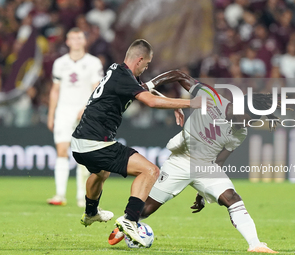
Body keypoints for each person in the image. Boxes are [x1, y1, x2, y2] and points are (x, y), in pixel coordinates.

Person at [108, 71, 279, 253]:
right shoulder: (212, 98)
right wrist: (150, 85)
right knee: (146, 209)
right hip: (180, 161)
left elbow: (219, 161)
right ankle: (125, 224)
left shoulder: (240, 134)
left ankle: (255, 244)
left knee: (233, 199)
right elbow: (179, 74)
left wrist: (204, 193)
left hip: (206, 166)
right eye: (249, 119)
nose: (248, 124)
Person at [70, 39, 206, 247]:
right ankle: (130, 220)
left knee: (100, 172)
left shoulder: (117, 70)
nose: (147, 67)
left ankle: (90, 213)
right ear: (140, 59)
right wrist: (191, 103)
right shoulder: (124, 76)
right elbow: (150, 101)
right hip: (96, 142)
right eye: (147, 64)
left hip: (80, 142)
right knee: (150, 171)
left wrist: (172, 106)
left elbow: (143, 88)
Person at [47, 27, 103, 207]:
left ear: (84, 41)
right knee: (61, 151)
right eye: (73, 38)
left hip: (84, 112)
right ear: (67, 41)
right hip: (63, 111)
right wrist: (51, 114)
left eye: (80, 38)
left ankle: (82, 196)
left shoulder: (93, 63)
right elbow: (55, 90)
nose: (76, 41)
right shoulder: (60, 63)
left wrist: (88, 108)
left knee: (83, 155)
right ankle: (60, 195)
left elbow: (97, 89)